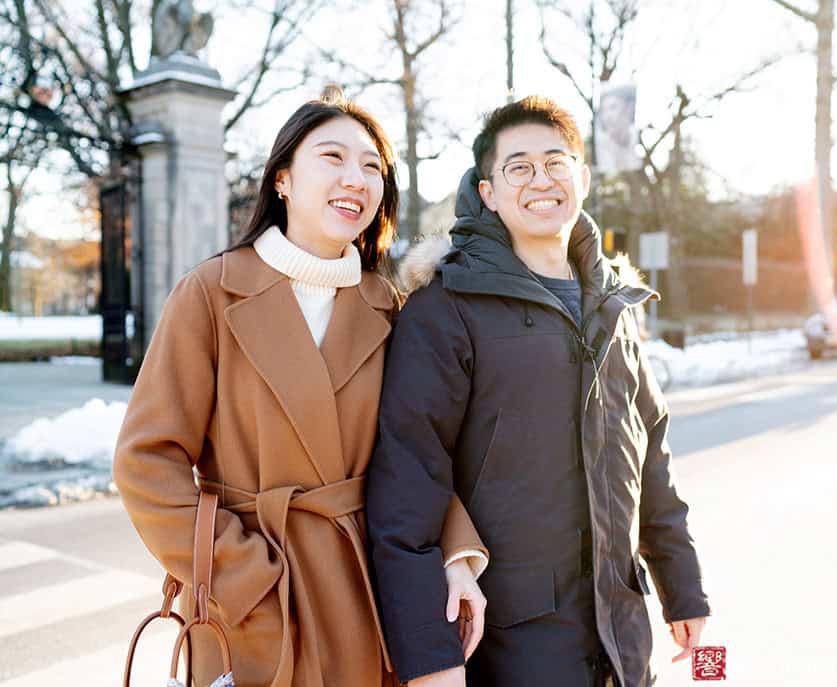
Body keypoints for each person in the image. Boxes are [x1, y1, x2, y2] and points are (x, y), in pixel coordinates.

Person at [113, 86, 488, 687]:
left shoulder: (388, 305)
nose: (356, 179)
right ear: (283, 178)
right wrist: (244, 576)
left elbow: (417, 451)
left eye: (372, 167)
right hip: (250, 603)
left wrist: (457, 555)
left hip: (364, 589)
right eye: (332, 157)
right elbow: (146, 461)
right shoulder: (212, 292)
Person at [367, 95, 710, 687]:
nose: (540, 180)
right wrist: (430, 656)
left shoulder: (615, 306)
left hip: (622, 640)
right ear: (488, 191)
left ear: (581, 178)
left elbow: (649, 456)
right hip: (513, 645)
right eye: (518, 167)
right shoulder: (445, 310)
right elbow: (407, 486)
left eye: (556, 163)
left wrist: (684, 591)